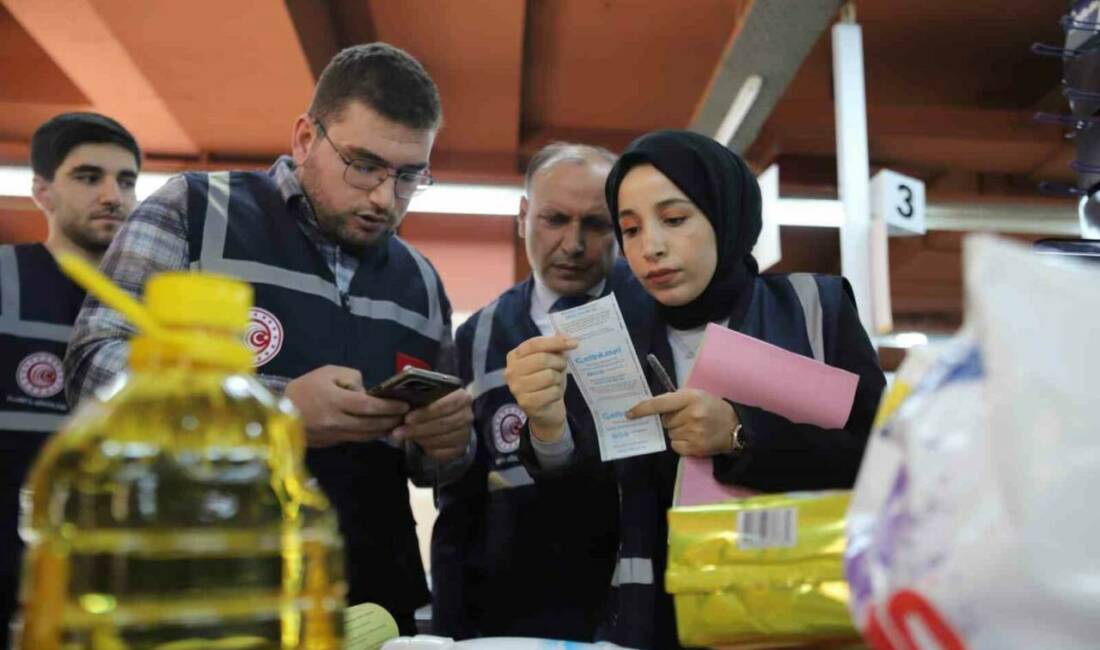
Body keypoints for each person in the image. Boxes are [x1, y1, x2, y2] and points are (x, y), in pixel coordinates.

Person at [64, 43, 474, 635]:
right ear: (306, 138)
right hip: (202, 597)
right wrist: (271, 411)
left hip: (374, 604)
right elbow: (92, 372)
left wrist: (446, 443)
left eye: (409, 175)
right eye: (364, 165)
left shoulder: (421, 282)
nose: (386, 197)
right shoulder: (196, 213)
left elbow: (432, 469)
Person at [505, 130, 886, 649]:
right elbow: (586, 520)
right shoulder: (606, 335)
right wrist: (549, 429)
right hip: (648, 622)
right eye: (631, 229)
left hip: (798, 612)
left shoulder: (816, 309)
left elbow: (883, 465)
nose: (651, 247)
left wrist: (740, 433)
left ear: (726, 214)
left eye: (675, 219)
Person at [431, 143, 649, 640]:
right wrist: (450, 629)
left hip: (633, 610)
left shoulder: (654, 319)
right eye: (554, 219)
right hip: (510, 616)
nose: (573, 244)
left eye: (595, 225)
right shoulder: (478, 335)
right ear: (523, 216)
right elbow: (459, 507)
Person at [0, 112, 140, 645]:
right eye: (88, 177)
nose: (112, 195)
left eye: (126, 180)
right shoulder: (6, 280)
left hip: (118, 603)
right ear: (42, 192)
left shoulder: (153, 311)